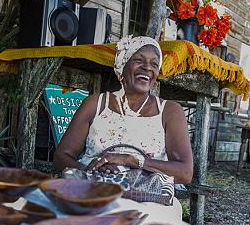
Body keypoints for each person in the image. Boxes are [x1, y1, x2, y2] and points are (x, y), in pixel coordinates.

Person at [53, 36, 193, 193]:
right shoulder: (95, 104)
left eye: (154, 64)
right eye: (139, 60)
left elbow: (185, 173)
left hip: (145, 197)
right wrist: (93, 172)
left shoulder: (169, 112)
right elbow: (61, 157)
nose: (147, 68)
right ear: (122, 64)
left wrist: (130, 159)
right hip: (92, 189)